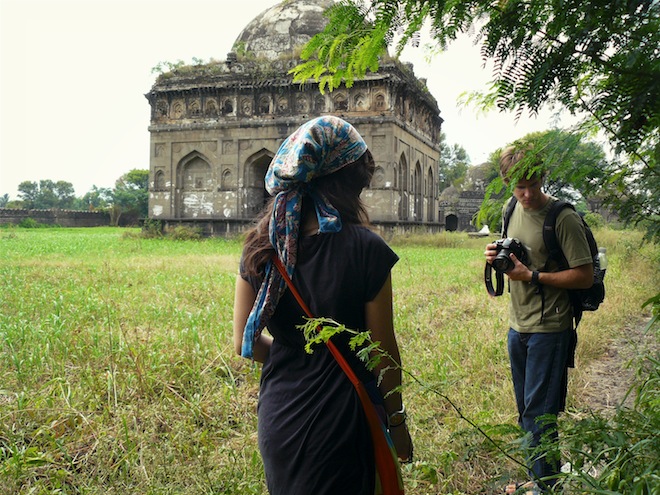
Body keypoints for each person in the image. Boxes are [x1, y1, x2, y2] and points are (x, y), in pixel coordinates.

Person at [233, 116, 413, 495]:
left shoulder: (259, 246)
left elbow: (242, 344)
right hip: (345, 418)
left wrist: (297, 357)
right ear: (349, 183)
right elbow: (383, 354)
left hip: (280, 416)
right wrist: (396, 422)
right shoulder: (366, 248)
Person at [484, 145, 593, 493]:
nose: (527, 194)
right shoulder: (510, 207)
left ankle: (546, 487)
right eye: (519, 187)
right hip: (518, 327)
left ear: (543, 177)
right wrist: (494, 257)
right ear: (506, 183)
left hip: (550, 328)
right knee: (526, 413)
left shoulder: (563, 218)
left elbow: (585, 276)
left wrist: (532, 276)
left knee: (540, 416)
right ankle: (542, 479)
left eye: (532, 184)